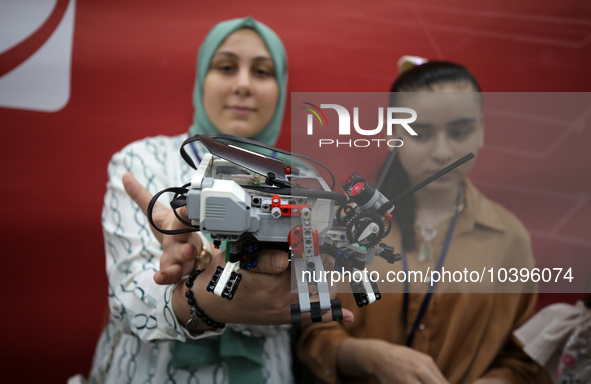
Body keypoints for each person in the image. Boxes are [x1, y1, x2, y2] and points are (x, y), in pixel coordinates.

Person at [87, 17, 351, 384]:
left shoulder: (308, 183)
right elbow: (127, 303)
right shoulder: (143, 161)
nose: (243, 85)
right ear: (201, 80)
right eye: (226, 67)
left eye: (261, 72)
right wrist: (201, 293)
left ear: (280, 88)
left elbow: (312, 291)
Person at [297, 59, 543, 383]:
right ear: (391, 133)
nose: (442, 152)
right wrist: (368, 356)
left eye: (459, 132)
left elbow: (526, 356)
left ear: (481, 130)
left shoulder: (509, 237)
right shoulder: (340, 223)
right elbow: (308, 333)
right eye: (420, 133)